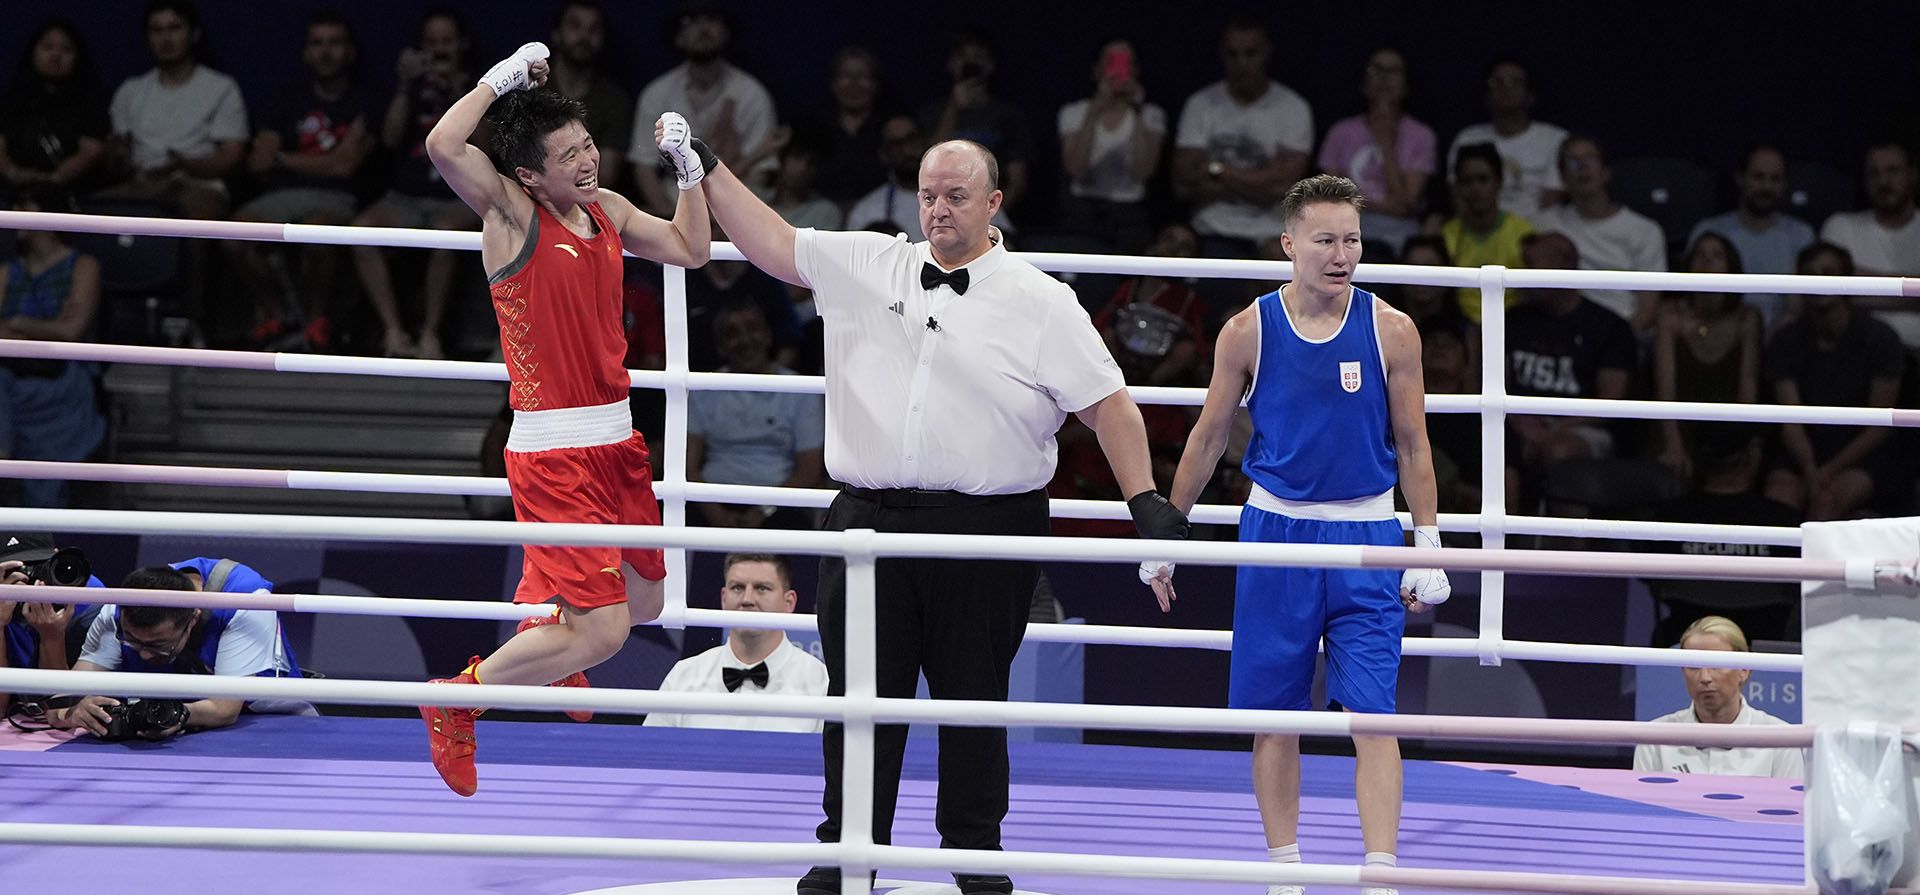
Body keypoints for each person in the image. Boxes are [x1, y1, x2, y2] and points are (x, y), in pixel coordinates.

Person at [696, 129, 1188, 894]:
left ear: (994, 202)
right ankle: (848, 848)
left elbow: (1111, 405)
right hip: (867, 520)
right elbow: (772, 243)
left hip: (987, 525)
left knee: (974, 699)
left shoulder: (1040, 299)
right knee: (857, 697)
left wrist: (1144, 500)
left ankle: (976, 855)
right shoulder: (869, 260)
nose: (939, 210)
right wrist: (711, 167)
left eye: (956, 196)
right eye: (928, 195)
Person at [412, 42, 710, 798]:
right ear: (528, 174)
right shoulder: (512, 216)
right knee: (606, 628)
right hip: (554, 450)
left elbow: (691, 248)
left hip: (618, 440)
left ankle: (555, 639)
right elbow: (444, 143)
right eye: (567, 155)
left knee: (646, 600)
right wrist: (502, 77)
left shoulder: (607, 210)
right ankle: (458, 698)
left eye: (587, 145)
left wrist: (689, 170)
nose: (586, 161)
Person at [1149, 174, 1450, 895]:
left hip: (1368, 534)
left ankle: (1381, 873)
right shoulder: (1247, 329)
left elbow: (1414, 443)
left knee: (1375, 714)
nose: (1341, 253)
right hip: (1276, 533)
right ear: (1290, 244)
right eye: (1325, 239)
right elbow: (1207, 435)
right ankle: (1285, 872)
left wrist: (1429, 539)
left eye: (1352, 239)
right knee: (1275, 715)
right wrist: (1168, 530)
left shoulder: (1392, 329)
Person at [229, 10, 373, 351]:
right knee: (233, 236)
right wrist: (313, 162)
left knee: (317, 236)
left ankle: (315, 322)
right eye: (318, 43)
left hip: (337, 197)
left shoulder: (366, 99)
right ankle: (280, 316)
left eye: (334, 43)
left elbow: (344, 167)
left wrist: (283, 159)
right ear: (306, 52)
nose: (326, 52)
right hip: (282, 194)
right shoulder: (286, 97)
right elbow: (258, 162)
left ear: (350, 51)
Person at [349, 8, 480, 359]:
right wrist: (405, 87)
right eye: (432, 43)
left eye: (447, 42)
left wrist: (459, 90)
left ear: (462, 44)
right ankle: (393, 332)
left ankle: (430, 335)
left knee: (444, 233)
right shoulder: (408, 84)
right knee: (361, 232)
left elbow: (491, 144)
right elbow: (390, 139)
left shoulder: (482, 87)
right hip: (405, 197)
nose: (439, 51)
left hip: (458, 198)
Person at [50, 561, 301, 737]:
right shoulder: (114, 613)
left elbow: (224, 710)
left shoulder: (245, 600)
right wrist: (75, 711)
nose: (145, 655)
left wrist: (174, 714)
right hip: (177, 734)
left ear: (193, 618)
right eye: (133, 642)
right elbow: (57, 704)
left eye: (158, 645)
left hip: (269, 722)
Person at [1, 183, 105, 509]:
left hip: (62, 377)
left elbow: (71, 330)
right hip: (9, 374)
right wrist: (41, 333)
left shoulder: (83, 266)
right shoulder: (6, 272)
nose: (14, 215)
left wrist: (19, 325)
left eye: (24, 206)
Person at [644, 553, 828, 732]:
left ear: (789, 602)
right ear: (724, 599)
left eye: (762, 588)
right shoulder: (684, 675)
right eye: (737, 588)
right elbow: (647, 755)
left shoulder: (819, 681)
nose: (747, 599)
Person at [104, 0, 249, 221]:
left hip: (198, 186)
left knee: (183, 224)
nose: (166, 39)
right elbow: (120, 154)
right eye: (157, 30)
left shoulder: (221, 87)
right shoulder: (130, 90)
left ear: (194, 34)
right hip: (140, 185)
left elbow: (232, 156)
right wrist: (117, 156)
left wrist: (186, 166)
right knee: (92, 219)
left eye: (174, 28)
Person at [1633, 615, 1803, 779]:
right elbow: (1643, 807)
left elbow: (1789, 806)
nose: (1705, 677)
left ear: (1744, 669)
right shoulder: (1654, 738)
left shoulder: (1782, 741)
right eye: (1693, 666)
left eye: (1716, 664)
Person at [1316, 48, 1434, 254]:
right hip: (1346, 231)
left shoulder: (1421, 136)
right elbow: (1329, 199)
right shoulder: (1341, 132)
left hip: (1400, 236)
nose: (1384, 78)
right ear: (1363, 83)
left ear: (1407, 84)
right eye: (1375, 70)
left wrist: (1386, 144)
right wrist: (1387, 206)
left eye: (1393, 71)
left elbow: (1406, 204)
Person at [1056, 39, 1165, 253]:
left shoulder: (1151, 115)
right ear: (1097, 71)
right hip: (1083, 210)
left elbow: (1143, 171)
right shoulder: (1073, 113)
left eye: (1125, 64)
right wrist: (1094, 112)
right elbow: (1076, 170)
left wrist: (1137, 111)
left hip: (1130, 214)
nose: (1118, 71)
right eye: (1111, 63)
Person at [0, 19, 110, 195]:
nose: (56, 55)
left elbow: (92, 151)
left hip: (75, 197)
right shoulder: (12, 101)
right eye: (47, 47)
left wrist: (53, 179)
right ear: (33, 52)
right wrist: (14, 174)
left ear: (77, 57)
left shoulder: (90, 104)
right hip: (13, 194)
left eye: (66, 49)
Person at [0, 533, 99, 721]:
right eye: (13, 571)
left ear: (57, 556)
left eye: (39, 565)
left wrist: (52, 637)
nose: (30, 580)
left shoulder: (88, 598)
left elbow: (61, 708)